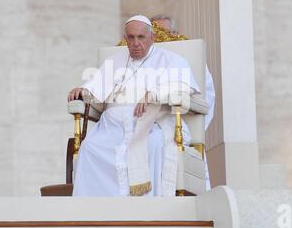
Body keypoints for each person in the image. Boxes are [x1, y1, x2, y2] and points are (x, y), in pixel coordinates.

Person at [68, 15, 202, 197]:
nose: (135, 43)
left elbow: (185, 87)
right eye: (131, 38)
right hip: (112, 127)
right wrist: (83, 90)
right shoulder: (115, 60)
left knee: (154, 144)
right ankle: (94, 208)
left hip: (151, 123)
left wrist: (153, 94)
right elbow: (95, 87)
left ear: (152, 38)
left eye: (141, 37)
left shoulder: (171, 60)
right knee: (90, 146)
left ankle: (147, 206)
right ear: (126, 38)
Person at [150, 15, 216, 130]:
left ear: (175, 34)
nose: (161, 39)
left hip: (177, 118)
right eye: (156, 33)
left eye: (165, 33)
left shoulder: (189, 58)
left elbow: (204, 94)